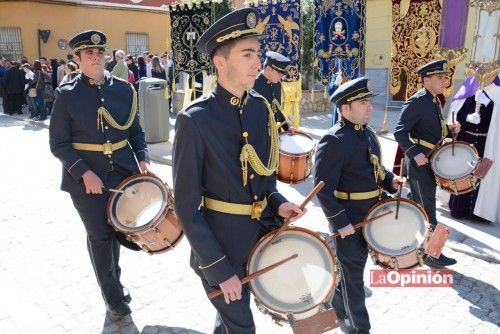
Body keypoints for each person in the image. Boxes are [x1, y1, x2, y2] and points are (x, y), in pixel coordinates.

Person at [172, 8, 304, 333]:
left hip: (259, 235)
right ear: (220, 62)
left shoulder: (260, 108)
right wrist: (218, 269)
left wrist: (278, 202)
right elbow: (187, 208)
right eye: (247, 55)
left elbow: (265, 180)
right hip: (221, 249)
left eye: (257, 54)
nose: (257, 63)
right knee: (243, 327)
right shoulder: (195, 120)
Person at [49, 30, 150, 322]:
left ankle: (115, 283)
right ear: (78, 59)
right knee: (100, 236)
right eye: (88, 54)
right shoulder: (67, 95)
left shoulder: (124, 89)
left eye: (99, 53)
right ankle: (113, 299)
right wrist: (84, 173)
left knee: (117, 230)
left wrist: (142, 158)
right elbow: (58, 144)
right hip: (86, 182)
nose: (95, 58)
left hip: (122, 173)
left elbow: (135, 131)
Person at [314, 77, 404, 334]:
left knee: (352, 269)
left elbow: (376, 168)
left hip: (372, 214)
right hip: (350, 219)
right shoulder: (334, 140)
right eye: (363, 102)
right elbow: (323, 190)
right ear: (345, 109)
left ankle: (337, 305)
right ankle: (359, 328)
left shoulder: (367, 134)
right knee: (354, 277)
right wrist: (340, 223)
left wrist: (391, 181)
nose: (370, 107)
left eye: (369, 101)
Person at [394, 59, 460, 267]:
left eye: (445, 77)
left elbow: (433, 129)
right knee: (427, 208)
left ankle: (403, 238)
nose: (444, 81)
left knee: (416, 205)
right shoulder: (417, 101)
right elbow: (399, 131)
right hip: (421, 163)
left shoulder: (433, 100)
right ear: (427, 79)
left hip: (431, 159)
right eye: (440, 77)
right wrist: (414, 153)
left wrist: (449, 129)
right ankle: (433, 254)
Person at [253, 51, 291, 132]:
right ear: (268, 69)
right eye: (279, 73)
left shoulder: (277, 84)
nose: (282, 77)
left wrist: (287, 128)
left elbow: (278, 110)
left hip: (275, 133)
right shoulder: (252, 86)